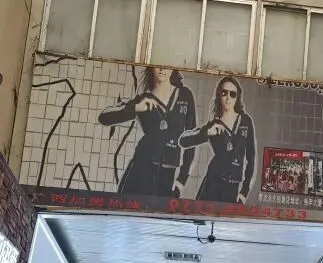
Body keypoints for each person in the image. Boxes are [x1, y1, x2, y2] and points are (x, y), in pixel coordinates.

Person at [97, 66, 197, 198]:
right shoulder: (143, 99)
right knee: (126, 209)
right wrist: (135, 108)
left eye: (167, 65)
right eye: (158, 65)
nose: (162, 69)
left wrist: (181, 181)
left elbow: (192, 141)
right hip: (140, 170)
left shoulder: (185, 95)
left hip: (167, 175)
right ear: (151, 68)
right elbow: (104, 118)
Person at [179, 76, 256, 204]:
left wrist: (244, 192)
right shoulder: (214, 125)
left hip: (233, 186)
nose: (228, 98)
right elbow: (183, 141)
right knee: (200, 216)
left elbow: (251, 158)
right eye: (224, 93)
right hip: (212, 184)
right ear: (219, 95)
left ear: (237, 97)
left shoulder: (245, 121)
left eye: (232, 94)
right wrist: (207, 132)